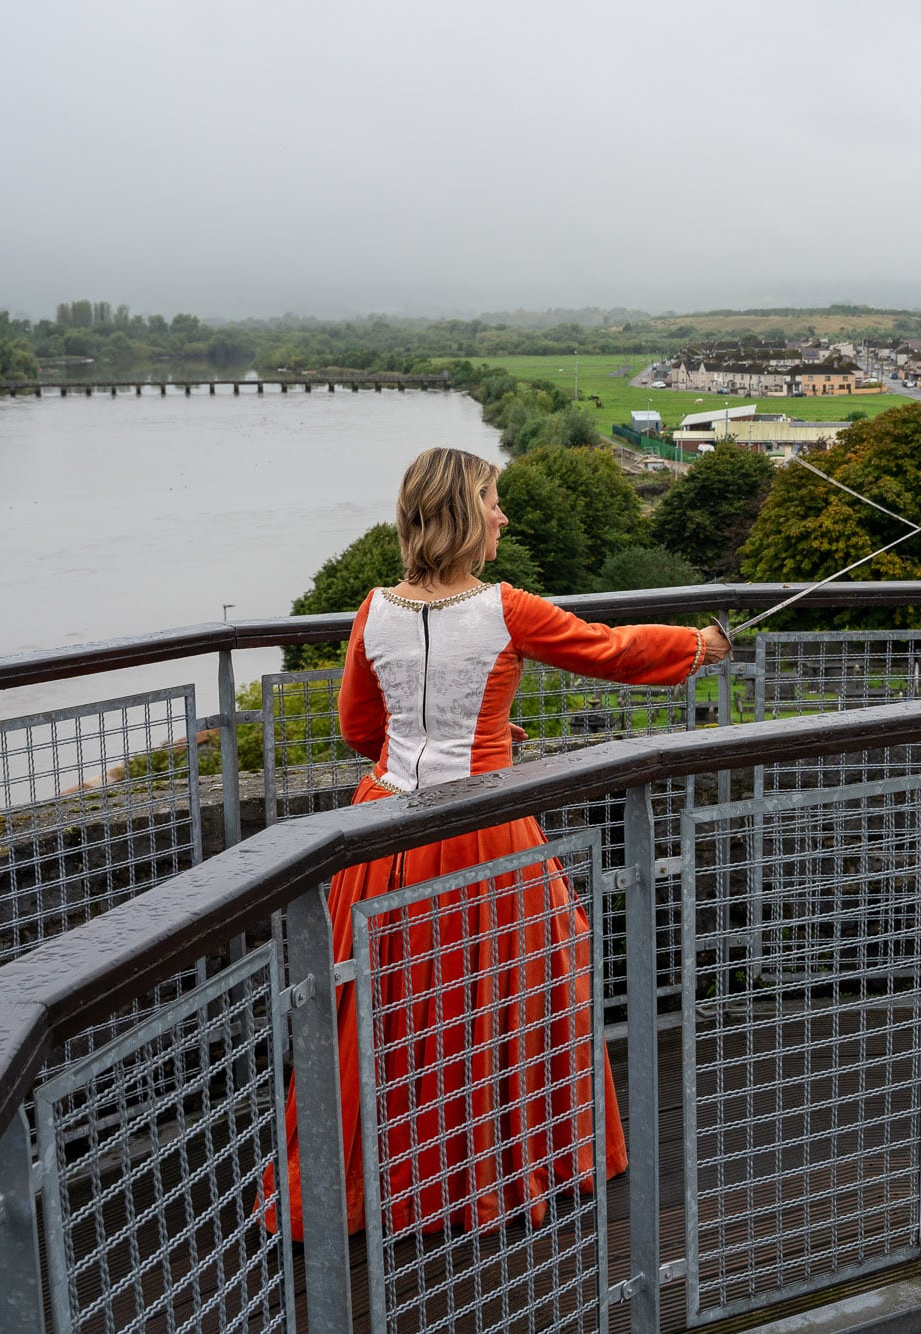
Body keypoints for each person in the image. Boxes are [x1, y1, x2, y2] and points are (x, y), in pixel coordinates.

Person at [265, 447, 729, 1235]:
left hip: (380, 835)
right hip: (480, 832)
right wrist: (699, 646)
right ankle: (490, 1174)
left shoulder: (373, 609)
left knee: (385, 1005)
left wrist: (447, 742)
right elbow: (608, 649)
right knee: (505, 991)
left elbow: (360, 727)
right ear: (461, 512)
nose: (503, 516)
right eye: (492, 500)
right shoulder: (504, 607)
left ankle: (379, 1184)